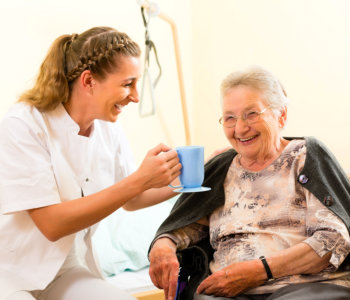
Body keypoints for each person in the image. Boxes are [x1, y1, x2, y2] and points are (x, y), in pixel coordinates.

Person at [0, 26, 183, 300]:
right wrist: (140, 179)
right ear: (88, 81)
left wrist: (197, 176)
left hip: (66, 271)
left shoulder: (109, 130)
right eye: (127, 83)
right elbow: (52, 225)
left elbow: (133, 199)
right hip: (10, 273)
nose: (135, 96)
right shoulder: (22, 126)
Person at [148, 66, 350, 300]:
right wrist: (163, 244)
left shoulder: (305, 156)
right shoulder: (221, 168)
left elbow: (333, 240)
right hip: (226, 291)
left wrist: (259, 270)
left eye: (251, 114)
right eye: (230, 118)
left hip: (306, 286)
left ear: (281, 115)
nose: (241, 128)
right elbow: (190, 222)